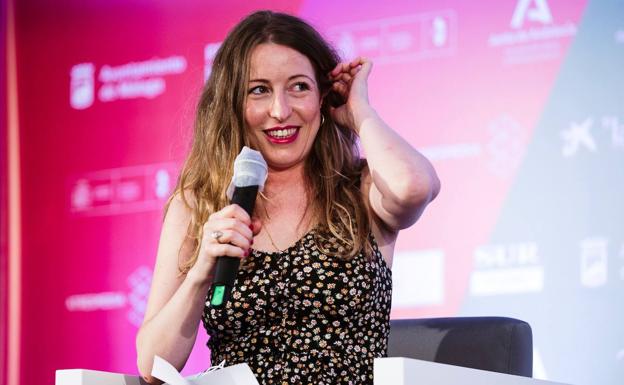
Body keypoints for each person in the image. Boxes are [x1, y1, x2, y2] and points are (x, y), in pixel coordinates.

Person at [136, 10, 440, 385]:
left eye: (299, 87)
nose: (280, 111)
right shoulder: (199, 204)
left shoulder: (361, 189)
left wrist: (359, 110)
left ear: (324, 97)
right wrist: (201, 272)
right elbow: (152, 368)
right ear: (234, 103)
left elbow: (413, 187)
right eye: (259, 90)